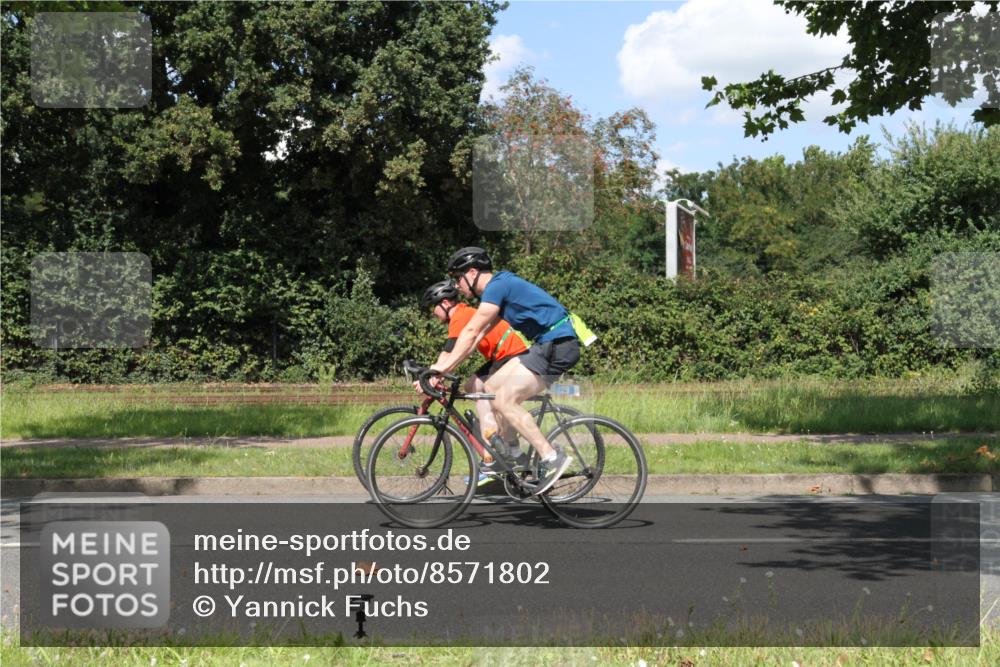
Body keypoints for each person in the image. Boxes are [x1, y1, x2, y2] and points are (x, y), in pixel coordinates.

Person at [429, 247, 580, 496]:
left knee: (504, 399)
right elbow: (474, 339)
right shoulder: (496, 291)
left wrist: (441, 369)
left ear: (473, 272)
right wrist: (443, 370)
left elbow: (469, 331)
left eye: (458, 278)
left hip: (556, 345)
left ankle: (552, 457)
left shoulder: (497, 287)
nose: (457, 285)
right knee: (489, 388)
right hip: (546, 344)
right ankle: (513, 454)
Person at [419, 279, 530, 484]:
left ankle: (501, 454)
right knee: (473, 387)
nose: (432, 313)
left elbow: (448, 354)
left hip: (511, 354)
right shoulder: (462, 313)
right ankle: (494, 445)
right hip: (501, 356)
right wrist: (432, 373)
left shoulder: (460, 316)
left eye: (433, 308)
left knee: (489, 393)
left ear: (444, 303)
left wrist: (431, 376)